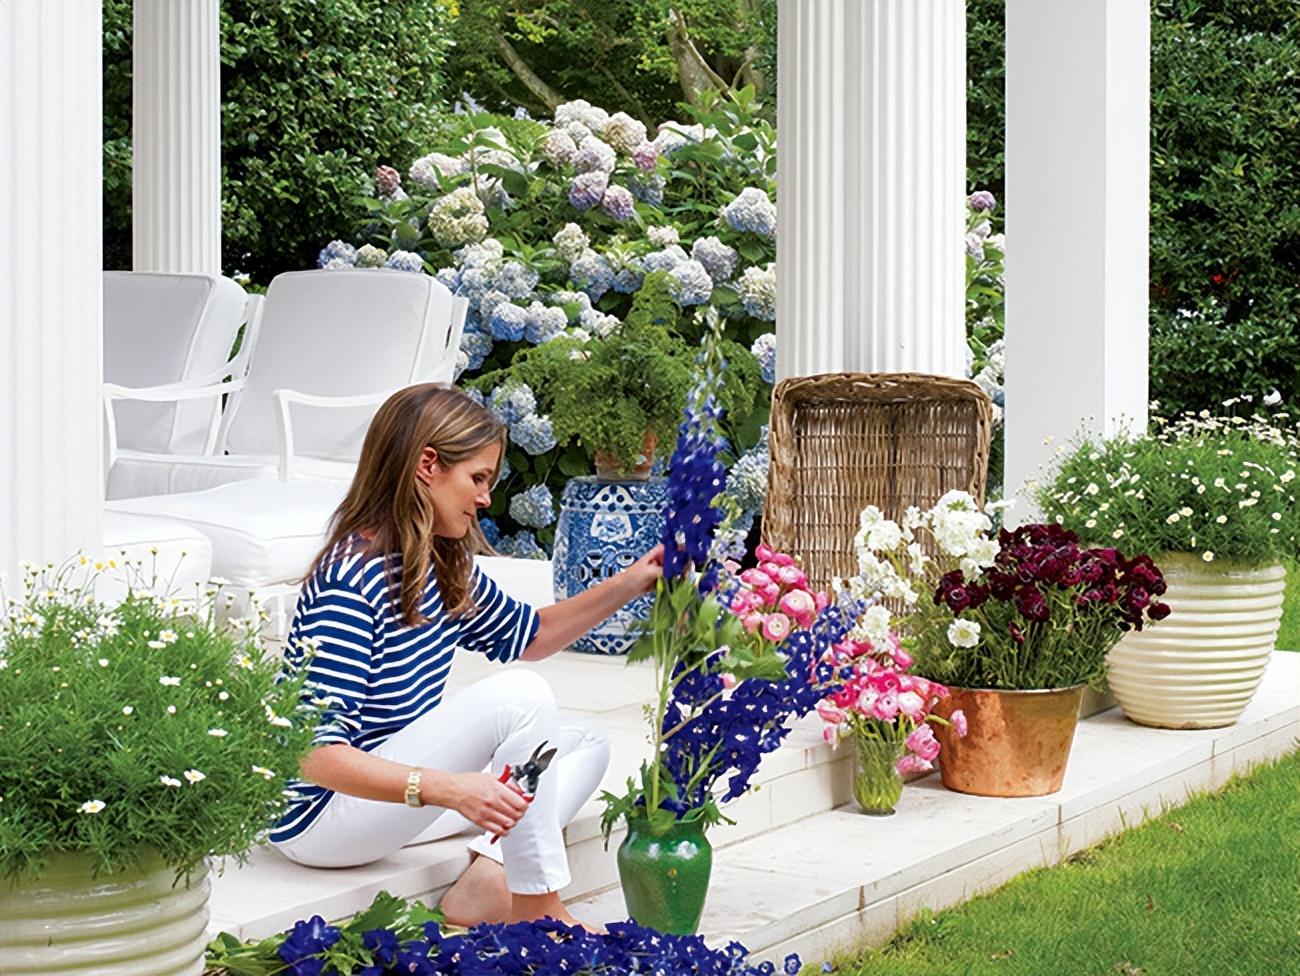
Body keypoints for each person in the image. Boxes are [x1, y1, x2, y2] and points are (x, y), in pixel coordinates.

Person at [268, 383, 662, 929]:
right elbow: (314, 757)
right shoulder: (351, 580)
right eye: (478, 479)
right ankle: (537, 910)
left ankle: (490, 880)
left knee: (582, 743)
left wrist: (634, 580)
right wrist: (450, 787)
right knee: (521, 696)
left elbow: (532, 637)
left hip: (394, 800)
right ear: (428, 465)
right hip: (321, 819)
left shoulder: (439, 564)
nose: (485, 500)